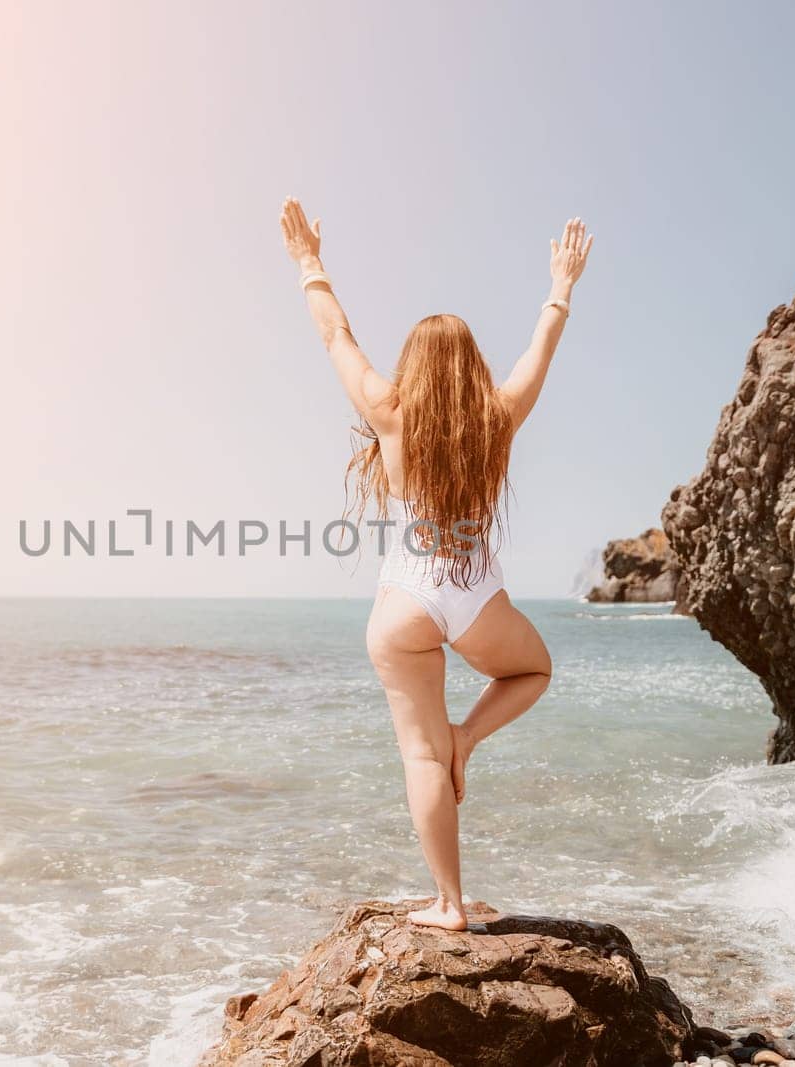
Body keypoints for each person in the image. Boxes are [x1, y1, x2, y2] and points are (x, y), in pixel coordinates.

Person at [278, 196, 594, 930]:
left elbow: (336, 335)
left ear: (416, 367)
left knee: (421, 757)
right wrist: (561, 285)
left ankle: (448, 903)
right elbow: (538, 351)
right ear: (471, 367)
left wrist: (307, 262)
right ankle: (468, 738)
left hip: (406, 600)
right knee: (533, 669)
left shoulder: (389, 407)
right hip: (475, 592)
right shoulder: (498, 414)